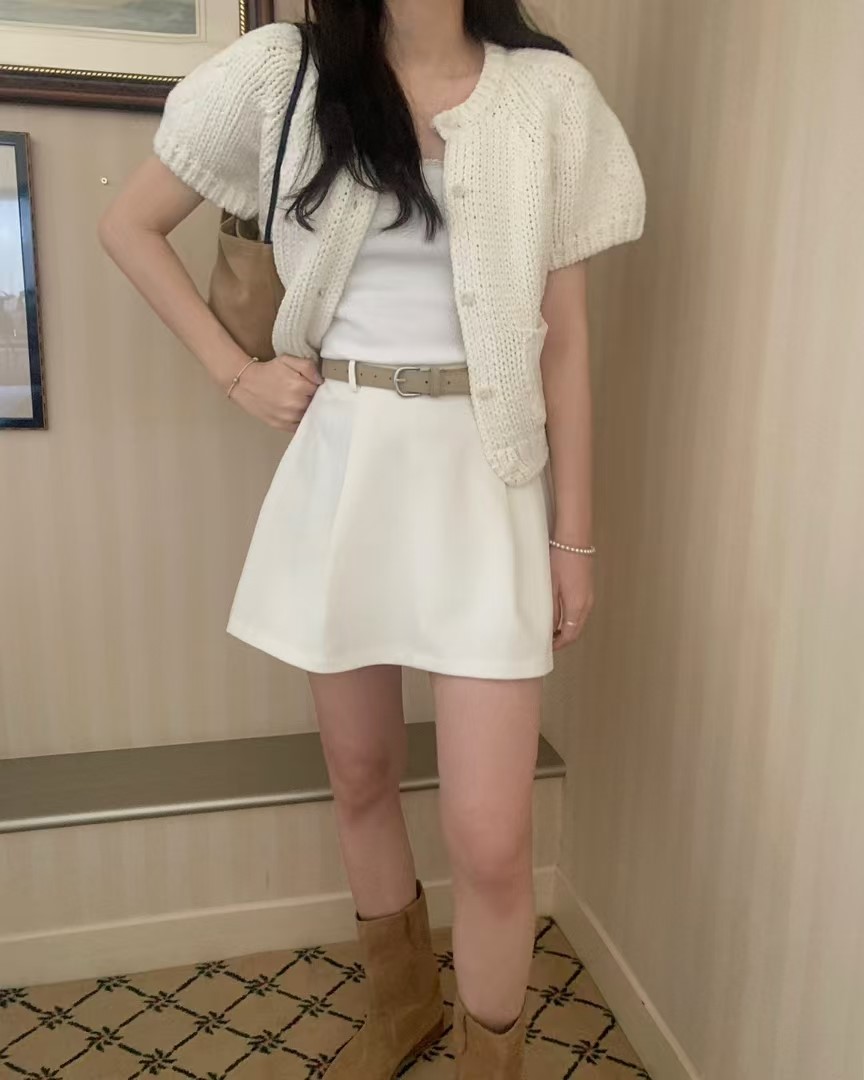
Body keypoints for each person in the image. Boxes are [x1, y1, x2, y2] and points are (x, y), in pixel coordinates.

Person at [98, 1, 645, 1075]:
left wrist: (574, 539)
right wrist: (236, 374)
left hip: (486, 481)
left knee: (492, 834)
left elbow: (566, 343)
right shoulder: (285, 73)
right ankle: (403, 1012)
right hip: (344, 468)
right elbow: (129, 224)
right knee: (359, 774)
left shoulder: (548, 96)